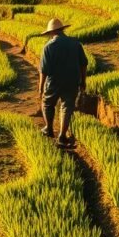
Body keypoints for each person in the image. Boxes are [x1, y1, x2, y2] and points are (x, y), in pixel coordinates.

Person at [39, 18, 87, 148]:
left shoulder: (48, 46)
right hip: (72, 80)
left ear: (52, 32)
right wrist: (83, 81)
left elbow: (44, 70)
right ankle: (62, 136)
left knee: (47, 103)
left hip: (54, 81)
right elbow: (83, 64)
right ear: (62, 30)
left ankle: (49, 129)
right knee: (67, 106)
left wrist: (41, 87)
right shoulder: (75, 43)